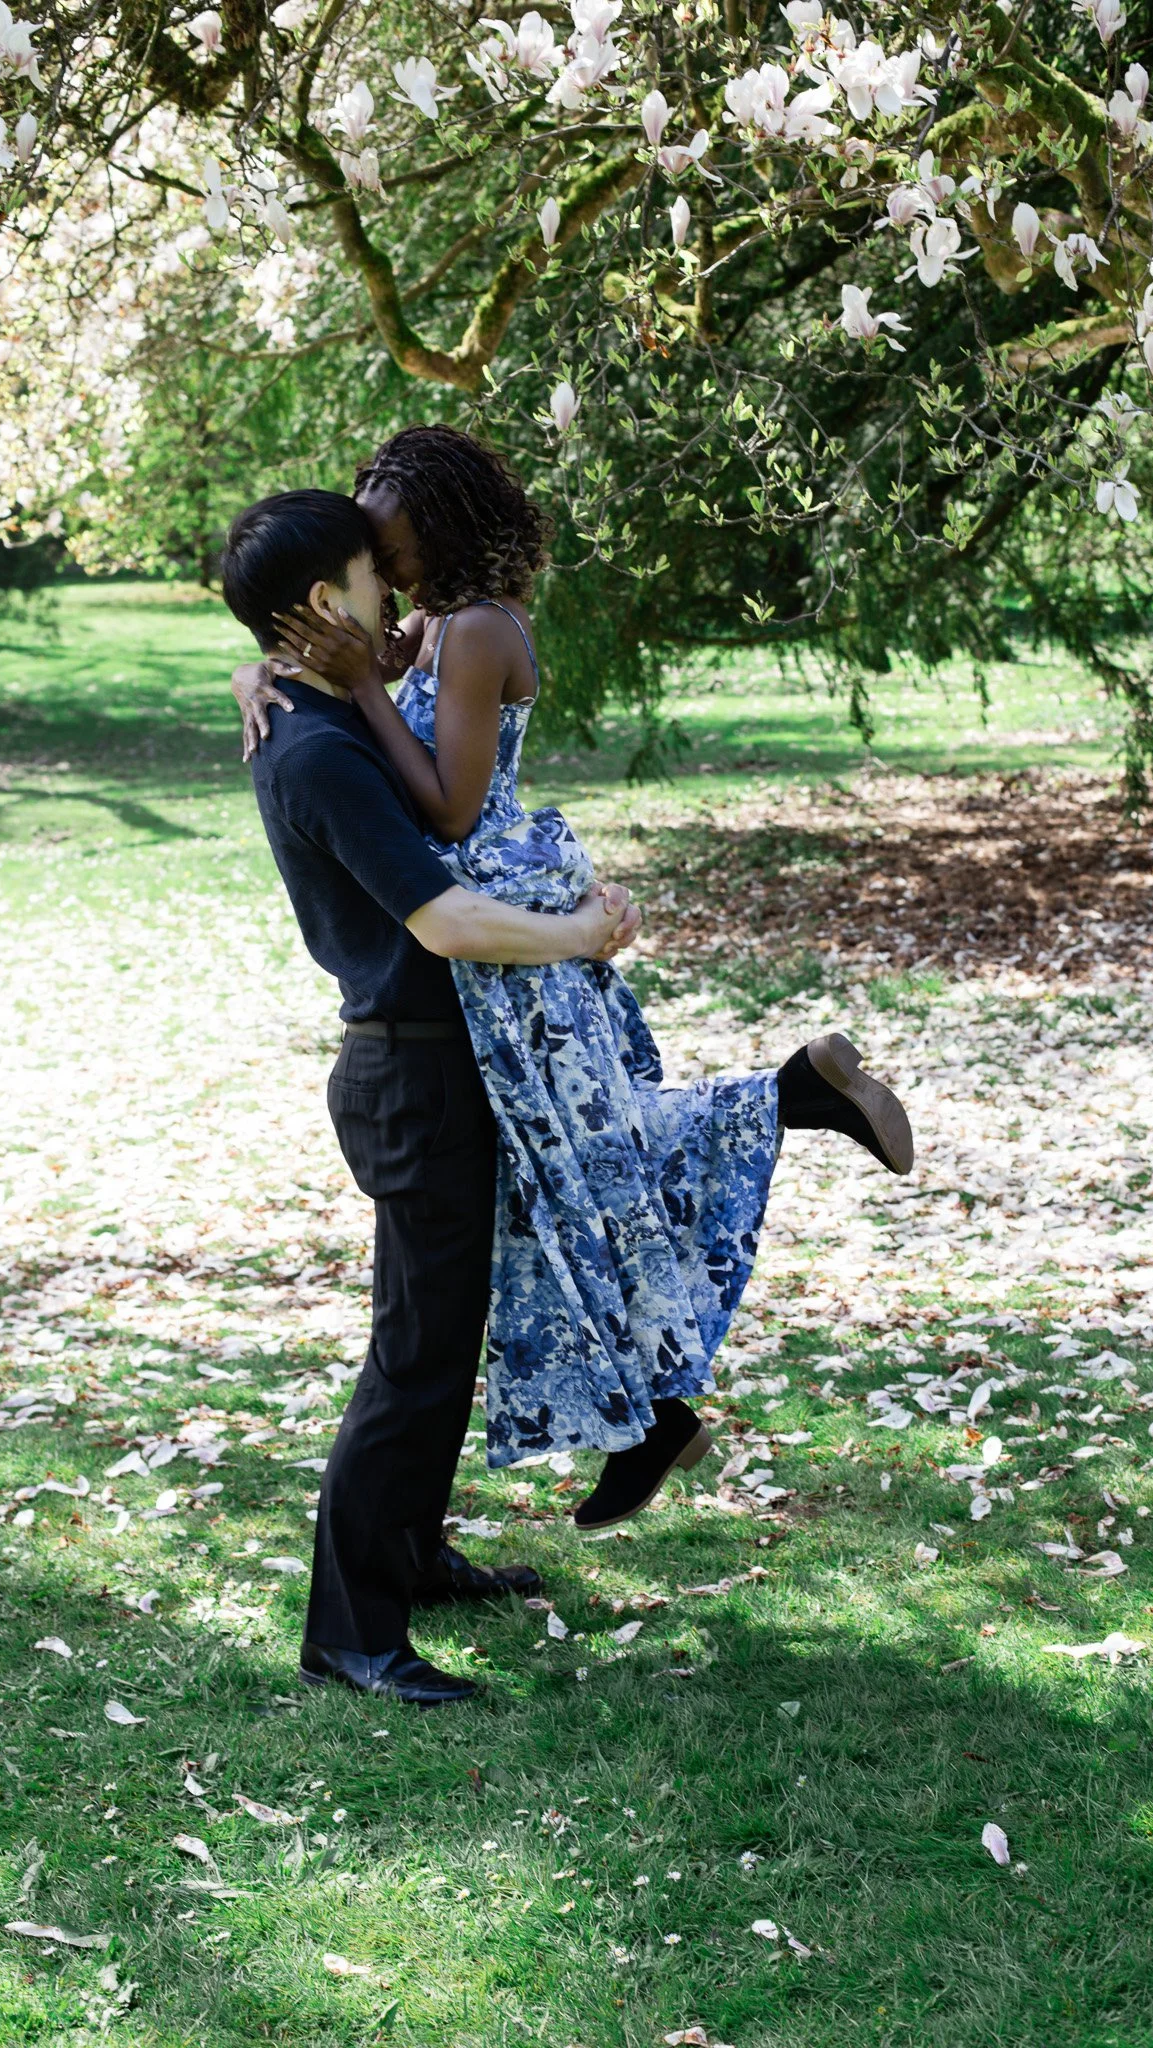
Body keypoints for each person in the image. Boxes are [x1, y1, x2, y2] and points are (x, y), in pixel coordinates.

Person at [233, 430, 913, 1566]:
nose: (369, 530)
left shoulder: (479, 627)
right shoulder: (432, 628)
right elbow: (345, 704)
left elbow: (448, 813)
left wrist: (356, 676)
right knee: (570, 1172)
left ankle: (790, 1106)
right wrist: (267, 669)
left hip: (507, 925)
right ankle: (655, 1411)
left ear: (433, 516)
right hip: (497, 933)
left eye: (380, 514)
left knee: (598, 1152)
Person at [221, 488, 643, 1709]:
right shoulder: (309, 749)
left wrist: (271, 668)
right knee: (412, 1356)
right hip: (409, 1066)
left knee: (442, 1340)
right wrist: (578, 934)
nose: (395, 593)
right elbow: (448, 921)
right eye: (372, 572)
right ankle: (350, 1630)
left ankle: (410, 1555)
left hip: (429, 1062)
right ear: (320, 603)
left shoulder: (308, 706)